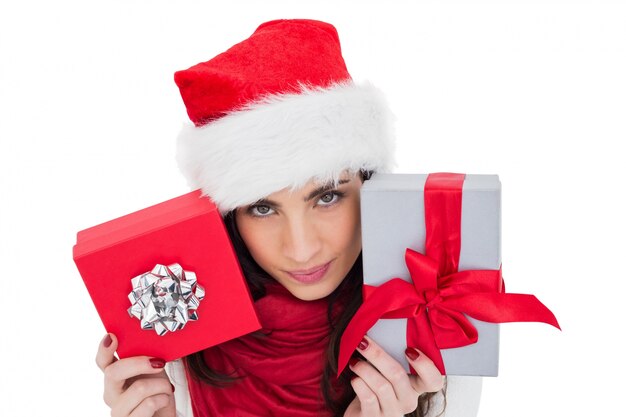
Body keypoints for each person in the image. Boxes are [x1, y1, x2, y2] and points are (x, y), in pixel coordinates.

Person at [95, 19, 446, 417]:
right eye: (262, 208)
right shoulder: (175, 344)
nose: (301, 249)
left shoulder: (428, 341)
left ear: (370, 188)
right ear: (228, 217)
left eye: (327, 196)